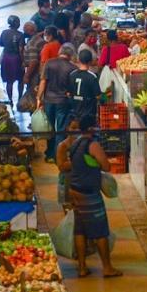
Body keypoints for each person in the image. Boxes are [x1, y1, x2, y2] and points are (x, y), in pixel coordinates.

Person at [57, 115, 120, 279]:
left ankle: (82, 267)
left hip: (75, 190)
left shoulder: (76, 143)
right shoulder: (92, 145)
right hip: (89, 193)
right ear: (91, 129)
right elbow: (106, 166)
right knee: (100, 230)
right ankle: (107, 267)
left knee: (80, 230)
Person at [38, 44, 78, 162]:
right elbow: (72, 90)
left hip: (49, 100)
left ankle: (49, 154)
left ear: (60, 52)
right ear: (71, 55)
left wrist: (39, 98)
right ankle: (57, 155)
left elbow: (43, 82)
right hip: (63, 102)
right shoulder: (72, 68)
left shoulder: (49, 63)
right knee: (61, 129)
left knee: (49, 128)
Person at [0, 15, 25, 107]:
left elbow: (1, 44)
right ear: (16, 24)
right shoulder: (20, 35)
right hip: (17, 59)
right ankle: (20, 98)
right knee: (20, 80)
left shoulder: (4, 33)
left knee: (9, 81)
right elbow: (21, 49)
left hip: (6, 58)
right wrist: (23, 62)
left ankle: (10, 100)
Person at [69, 51, 100, 124]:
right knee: (88, 133)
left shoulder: (72, 75)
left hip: (74, 111)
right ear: (90, 62)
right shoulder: (92, 76)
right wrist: (106, 97)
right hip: (88, 113)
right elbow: (98, 96)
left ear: (78, 60)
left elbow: (68, 93)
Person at [21, 21, 45, 103]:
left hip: (35, 74)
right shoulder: (39, 39)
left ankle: (34, 113)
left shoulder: (32, 43)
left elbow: (33, 61)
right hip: (41, 71)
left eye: (25, 31)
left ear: (29, 31)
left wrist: (27, 76)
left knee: (33, 95)